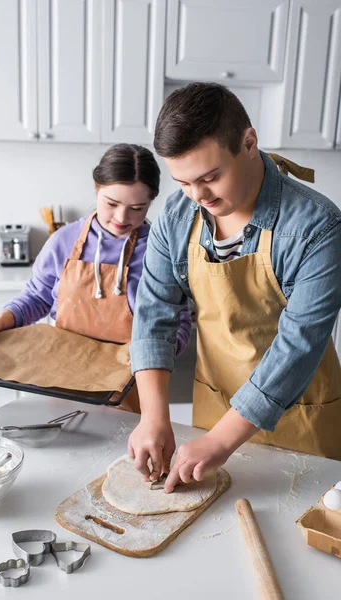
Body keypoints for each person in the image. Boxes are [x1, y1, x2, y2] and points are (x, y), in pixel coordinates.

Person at [128, 83, 341, 488]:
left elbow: (299, 345)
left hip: (300, 419)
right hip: (213, 413)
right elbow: (154, 313)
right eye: (184, 182)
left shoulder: (317, 228)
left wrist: (222, 440)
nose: (198, 195)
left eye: (210, 177)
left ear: (248, 143)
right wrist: (153, 417)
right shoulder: (176, 216)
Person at [0, 143, 192, 412]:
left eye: (137, 208)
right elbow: (37, 297)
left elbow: (177, 322)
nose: (122, 218)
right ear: (96, 187)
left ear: (152, 200)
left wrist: (157, 355)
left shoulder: (161, 251)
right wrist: (3, 319)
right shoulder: (64, 240)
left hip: (129, 384)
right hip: (61, 377)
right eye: (112, 204)